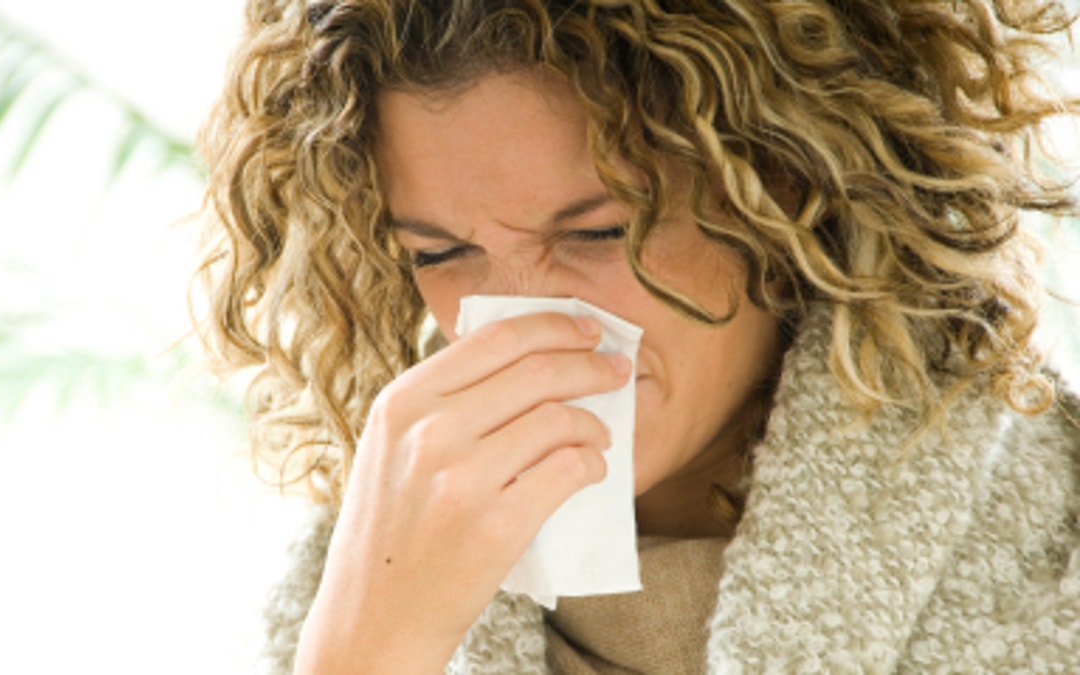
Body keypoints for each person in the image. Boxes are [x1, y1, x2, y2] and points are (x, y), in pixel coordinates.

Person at [193, 0, 1080, 671]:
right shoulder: (355, 580)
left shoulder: (1056, 551)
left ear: (781, 189)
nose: (524, 309)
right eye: (443, 251)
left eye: (596, 233)